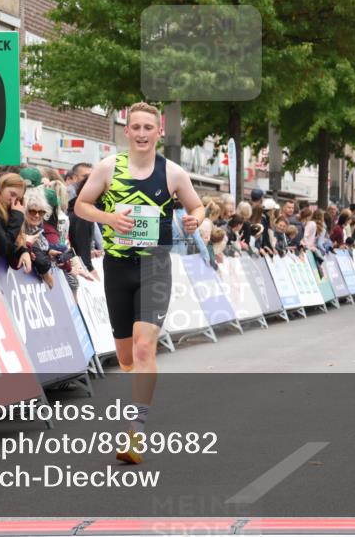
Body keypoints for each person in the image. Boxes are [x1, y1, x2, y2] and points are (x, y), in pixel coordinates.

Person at [73, 102, 205, 465]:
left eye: (149, 127)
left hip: (155, 266)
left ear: (159, 132)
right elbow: (81, 206)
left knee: (145, 348)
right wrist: (109, 218)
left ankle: (136, 431)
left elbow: (197, 207)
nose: (143, 134)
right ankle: (139, 390)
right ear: (127, 130)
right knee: (127, 356)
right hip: (118, 267)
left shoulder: (173, 173)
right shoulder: (108, 167)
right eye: (137, 127)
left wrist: (194, 220)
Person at [0, 172, 33, 274]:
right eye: (12, 194)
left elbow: (13, 259)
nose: (13, 200)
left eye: (18, 199)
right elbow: (4, 247)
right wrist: (17, 217)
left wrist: (23, 251)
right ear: (1, 188)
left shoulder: (9, 212)